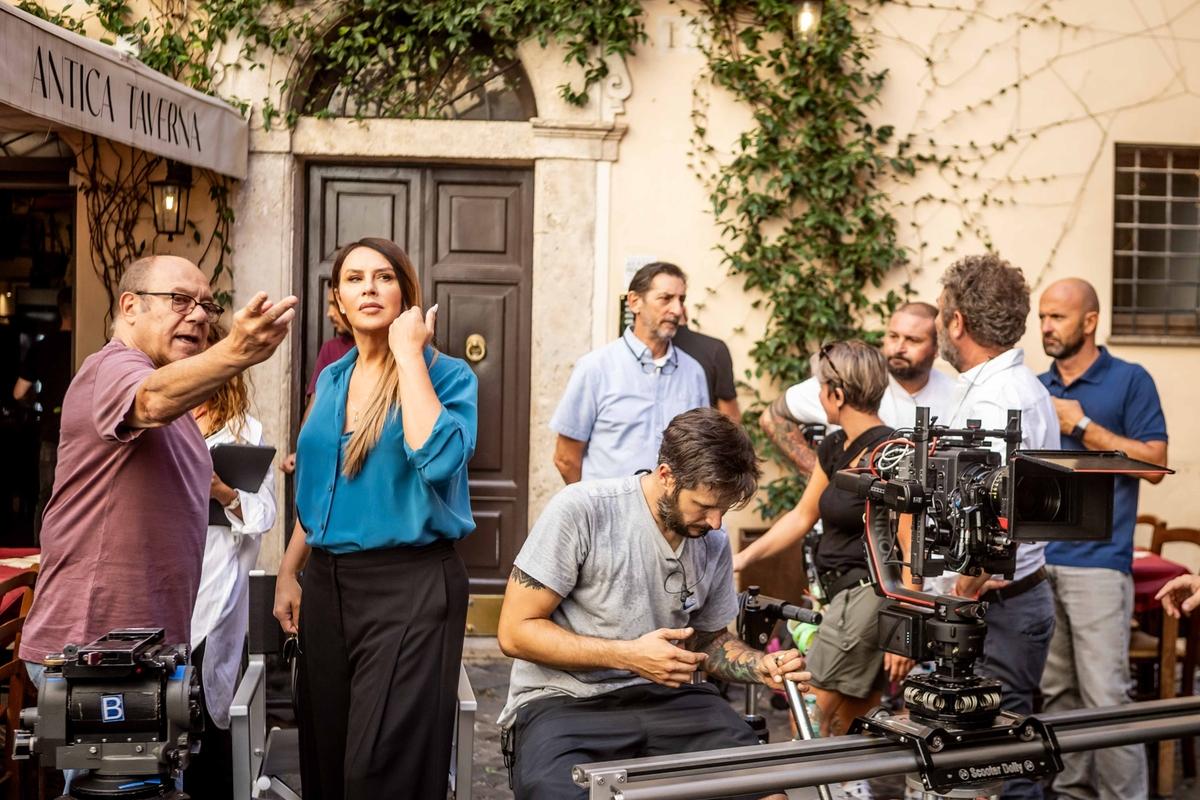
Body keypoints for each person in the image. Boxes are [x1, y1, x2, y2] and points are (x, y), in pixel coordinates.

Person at [497, 407, 807, 800]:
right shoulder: (583, 509)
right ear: (666, 476)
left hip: (672, 702)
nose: (715, 523)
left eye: (724, 509)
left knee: (767, 792)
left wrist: (759, 665)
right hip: (565, 702)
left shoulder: (711, 541)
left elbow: (708, 640)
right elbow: (514, 632)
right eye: (704, 505)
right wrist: (629, 656)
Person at [19, 256, 295, 675]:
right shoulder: (112, 367)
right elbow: (149, 400)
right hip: (96, 647)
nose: (199, 316)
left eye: (206, 306)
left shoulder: (174, 395)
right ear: (130, 306)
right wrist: (236, 352)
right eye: (180, 300)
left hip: (146, 648)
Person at [272, 237, 478, 799]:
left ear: (406, 294)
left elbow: (438, 460)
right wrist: (290, 571)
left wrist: (408, 356)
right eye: (355, 278)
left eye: (384, 277)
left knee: (381, 771)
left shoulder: (447, 375)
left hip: (410, 585)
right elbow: (319, 488)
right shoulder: (332, 379)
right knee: (328, 762)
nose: (369, 288)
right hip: (328, 584)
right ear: (338, 299)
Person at [733, 341, 912, 798]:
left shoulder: (894, 452)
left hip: (869, 598)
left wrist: (906, 625)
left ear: (837, 393)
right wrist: (742, 559)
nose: (817, 395)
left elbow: (910, 543)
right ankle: (851, 792)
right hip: (840, 599)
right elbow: (801, 516)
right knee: (849, 719)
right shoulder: (836, 446)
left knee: (807, 714)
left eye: (820, 386)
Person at [1036, 278, 1167, 800]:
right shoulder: (1036, 387)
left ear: (1090, 321)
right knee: (1058, 695)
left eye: (1058, 317)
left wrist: (1082, 424)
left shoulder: (1130, 380)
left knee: (1106, 696)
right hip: (1039, 564)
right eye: (1042, 317)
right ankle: (1074, 792)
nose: (1046, 327)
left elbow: (1154, 464)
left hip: (1099, 564)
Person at [938, 254, 1058, 800]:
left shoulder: (996, 400)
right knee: (1002, 753)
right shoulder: (1013, 387)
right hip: (1009, 600)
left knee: (1002, 761)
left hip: (997, 605)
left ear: (958, 322)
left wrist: (960, 593)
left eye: (941, 312)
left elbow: (991, 519)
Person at [184, 322, 278, 798]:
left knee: (208, 722)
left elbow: (265, 514)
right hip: (162, 588)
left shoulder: (245, 432)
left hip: (215, 589)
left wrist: (223, 492)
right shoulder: (161, 421)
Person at [550, 261, 709, 483]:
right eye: (666, 298)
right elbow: (566, 458)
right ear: (634, 302)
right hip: (608, 505)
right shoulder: (595, 368)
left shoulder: (694, 373)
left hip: (672, 506)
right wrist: (592, 501)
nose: (676, 310)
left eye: (681, 300)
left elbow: (702, 452)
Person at [760, 303, 953, 476]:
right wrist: (822, 475)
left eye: (913, 340)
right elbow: (772, 416)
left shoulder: (954, 394)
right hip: (844, 502)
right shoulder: (851, 378)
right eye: (893, 336)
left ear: (937, 348)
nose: (899, 348)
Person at [12, 285, 73, 541]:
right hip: (83, 434)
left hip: (50, 430)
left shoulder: (42, 347)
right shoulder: (91, 349)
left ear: (60, 309)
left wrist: (37, 401)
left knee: (47, 496)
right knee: (77, 498)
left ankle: (40, 553)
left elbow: (18, 393)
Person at [281, 289, 355, 474]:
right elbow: (315, 406)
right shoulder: (331, 349)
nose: (329, 313)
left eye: (334, 305)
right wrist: (301, 450)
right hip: (333, 460)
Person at [672, 307, 740, 423]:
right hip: (699, 432)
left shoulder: (645, 351)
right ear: (685, 312)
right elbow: (731, 419)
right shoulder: (715, 349)